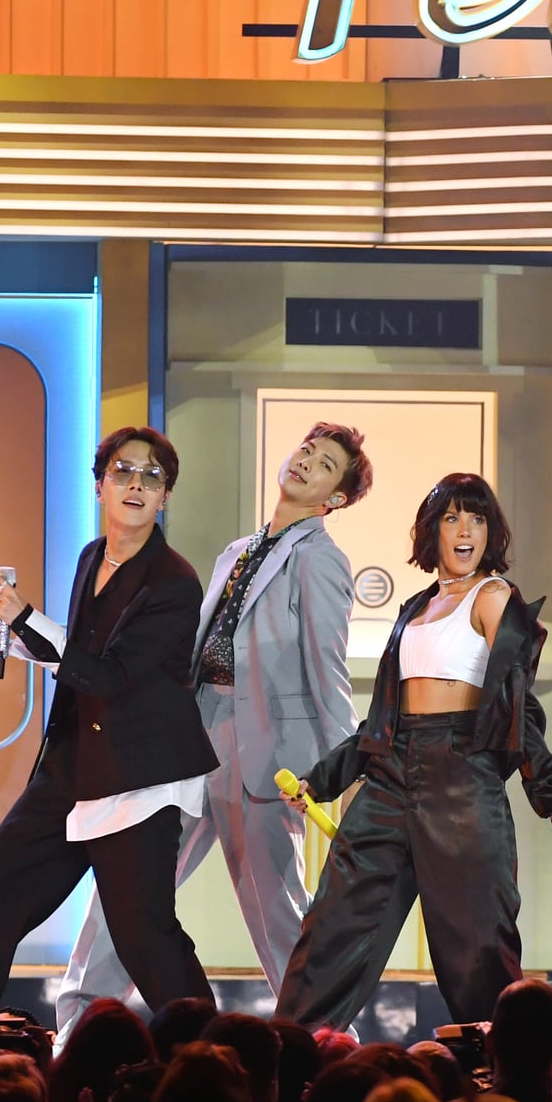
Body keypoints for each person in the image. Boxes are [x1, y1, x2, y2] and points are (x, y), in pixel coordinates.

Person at [55, 424, 372, 1040]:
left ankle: (326, 1042)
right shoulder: (237, 550)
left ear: (335, 499)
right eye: (307, 450)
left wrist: (340, 771)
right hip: (188, 738)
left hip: (260, 753)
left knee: (274, 909)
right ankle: (75, 1026)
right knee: (130, 890)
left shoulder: (321, 559)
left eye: (326, 465)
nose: (307, 463)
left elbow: (328, 672)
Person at [273, 473, 552, 1029]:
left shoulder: (494, 596)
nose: (465, 531)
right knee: (334, 926)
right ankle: (290, 1061)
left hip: (461, 777)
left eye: (478, 519)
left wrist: (544, 786)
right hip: (391, 775)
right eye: (452, 518)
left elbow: (516, 699)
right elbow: (381, 721)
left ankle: (501, 1082)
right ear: (431, 530)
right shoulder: (414, 606)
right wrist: (325, 779)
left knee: (477, 946)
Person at [0, 427, 218, 1012]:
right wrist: (22, 635)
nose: (136, 484)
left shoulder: (175, 582)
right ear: (99, 487)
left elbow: (111, 675)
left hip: (139, 779)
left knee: (145, 940)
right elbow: (81, 659)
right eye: (122, 471)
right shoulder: (92, 556)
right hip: (71, 769)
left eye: (152, 476)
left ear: (165, 497)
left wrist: (28, 618)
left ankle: (209, 1061)